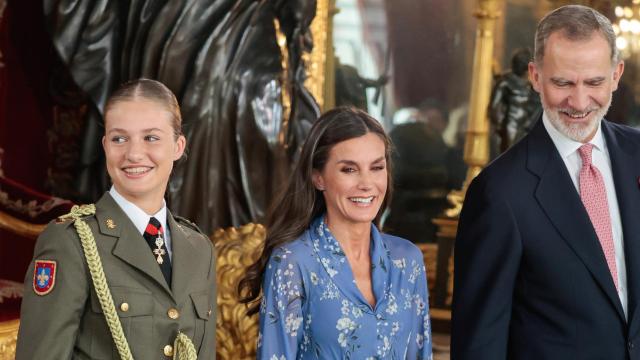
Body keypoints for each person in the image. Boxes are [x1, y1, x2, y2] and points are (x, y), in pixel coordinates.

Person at [452, 5, 640, 359]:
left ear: (616, 75)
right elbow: (479, 344)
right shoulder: (498, 192)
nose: (579, 101)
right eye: (563, 82)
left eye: (594, 82)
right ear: (535, 77)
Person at [16, 79, 216, 359]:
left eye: (151, 138)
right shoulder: (72, 242)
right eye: (119, 138)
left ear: (178, 146)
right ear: (105, 146)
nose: (133, 154)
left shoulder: (199, 249)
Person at [239, 107, 432, 359]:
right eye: (349, 170)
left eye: (376, 167)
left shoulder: (408, 260)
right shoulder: (293, 262)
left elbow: (420, 353)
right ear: (318, 178)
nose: (366, 184)